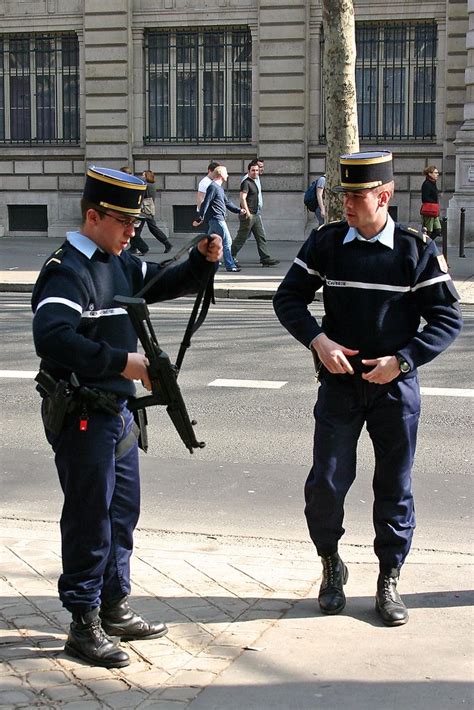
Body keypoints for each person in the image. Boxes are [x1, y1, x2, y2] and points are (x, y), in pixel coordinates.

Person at [31, 166, 222, 668]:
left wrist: (201, 262)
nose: (133, 231)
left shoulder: (120, 261)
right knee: (89, 518)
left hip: (117, 413)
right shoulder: (66, 270)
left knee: (122, 513)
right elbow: (51, 337)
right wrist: (124, 363)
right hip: (82, 415)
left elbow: (162, 279)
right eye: (124, 222)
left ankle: (114, 605)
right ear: (93, 217)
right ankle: (83, 620)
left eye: (135, 222)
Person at [273, 151, 462, 627]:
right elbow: (288, 297)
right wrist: (318, 341)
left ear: (385, 195)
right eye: (344, 196)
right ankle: (331, 565)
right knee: (326, 484)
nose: (348, 205)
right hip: (339, 385)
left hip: (394, 388)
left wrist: (402, 361)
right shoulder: (328, 242)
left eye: (357, 196)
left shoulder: (415, 250)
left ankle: (389, 576)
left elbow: (446, 318)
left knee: (394, 486)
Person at [193, 165, 244, 272]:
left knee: (208, 242)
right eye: (226, 173)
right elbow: (205, 203)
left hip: (216, 219)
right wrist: (200, 217)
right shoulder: (213, 187)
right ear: (221, 174)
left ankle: (198, 260)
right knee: (227, 241)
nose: (228, 175)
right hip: (217, 218)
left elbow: (227, 202)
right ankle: (230, 266)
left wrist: (239, 210)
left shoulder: (218, 188)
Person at [231, 159, 279, 267]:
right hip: (249, 215)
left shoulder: (255, 181)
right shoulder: (246, 182)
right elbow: (242, 198)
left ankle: (265, 258)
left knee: (260, 236)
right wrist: (248, 214)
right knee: (241, 238)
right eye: (253, 170)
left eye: (257, 170)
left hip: (256, 214)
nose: (256, 172)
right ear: (249, 171)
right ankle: (230, 257)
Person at [131, 169, 172, 255]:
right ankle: (166, 243)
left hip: (143, 210)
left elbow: (140, 194)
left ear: (146, 176)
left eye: (143, 175)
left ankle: (143, 248)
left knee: (135, 230)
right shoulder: (152, 185)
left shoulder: (146, 185)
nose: (142, 177)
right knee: (152, 228)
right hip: (148, 209)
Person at [421, 165, 441, 240]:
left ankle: (428, 244)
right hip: (429, 211)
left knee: (437, 230)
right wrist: (433, 203)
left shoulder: (433, 183)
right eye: (435, 173)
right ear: (430, 174)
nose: (437, 174)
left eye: (437, 173)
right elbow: (424, 198)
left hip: (434, 211)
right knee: (429, 231)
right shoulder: (426, 184)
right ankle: (425, 246)